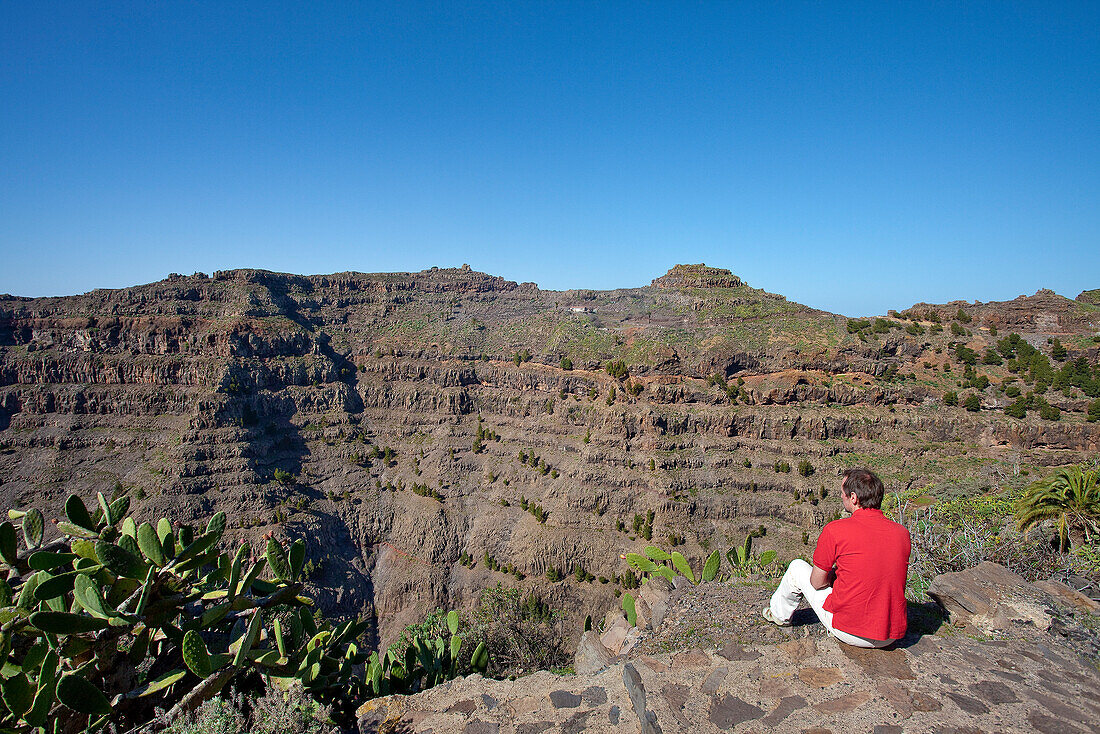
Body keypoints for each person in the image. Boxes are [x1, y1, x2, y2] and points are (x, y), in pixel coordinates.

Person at [763, 468, 910, 648]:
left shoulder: (836, 530)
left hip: (849, 630)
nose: (841, 496)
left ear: (854, 498)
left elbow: (817, 583)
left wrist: (831, 576)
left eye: (843, 493)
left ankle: (779, 615)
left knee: (796, 567)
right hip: (890, 636)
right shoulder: (902, 534)